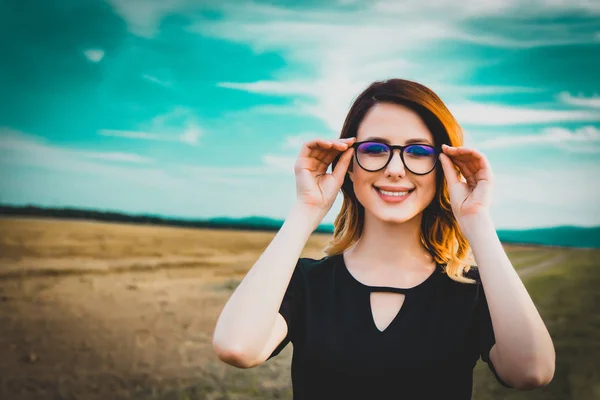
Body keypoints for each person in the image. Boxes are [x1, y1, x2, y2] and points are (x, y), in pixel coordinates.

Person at [212, 78, 556, 399]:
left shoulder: (473, 291)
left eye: (419, 152)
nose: (395, 168)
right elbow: (237, 348)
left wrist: (476, 219)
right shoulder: (307, 283)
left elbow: (531, 371)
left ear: (444, 168)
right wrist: (307, 209)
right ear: (349, 163)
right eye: (375, 148)